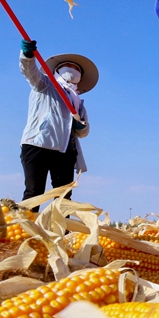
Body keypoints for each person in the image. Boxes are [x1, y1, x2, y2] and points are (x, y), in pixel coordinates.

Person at [18, 39, 97, 209]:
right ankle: (26, 224)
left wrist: (81, 127)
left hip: (65, 151)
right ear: (57, 70)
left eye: (76, 68)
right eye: (68, 66)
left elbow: (84, 131)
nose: (72, 69)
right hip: (38, 144)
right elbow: (29, 71)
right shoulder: (44, 84)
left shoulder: (78, 103)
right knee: (34, 192)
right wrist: (27, 56)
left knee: (64, 197)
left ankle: (62, 226)